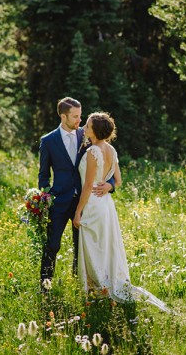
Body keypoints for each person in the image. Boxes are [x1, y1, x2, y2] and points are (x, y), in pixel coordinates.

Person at [73, 112, 171, 313]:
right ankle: (104, 284)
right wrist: (108, 187)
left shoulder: (93, 152)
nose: (84, 127)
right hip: (106, 204)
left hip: (92, 204)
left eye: (88, 126)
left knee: (94, 246)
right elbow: (117, 181)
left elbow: (88, 185)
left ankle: (100, 287)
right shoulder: (110, 149)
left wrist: (77, 212)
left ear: (96, 131)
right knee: (105, 245)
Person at [38, 97, 114, 290]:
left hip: (85, 201)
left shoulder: (88, 134)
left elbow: (108, 161)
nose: (80, 120)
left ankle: (80, 285)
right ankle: (45, 285)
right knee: (52, 244)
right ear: (63, 116)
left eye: (81, 116)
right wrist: (45, 198)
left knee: (82, 247)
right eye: (75, 117)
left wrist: (110, 185)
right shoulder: (48, 141)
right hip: (59, 201)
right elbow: (44, 175)